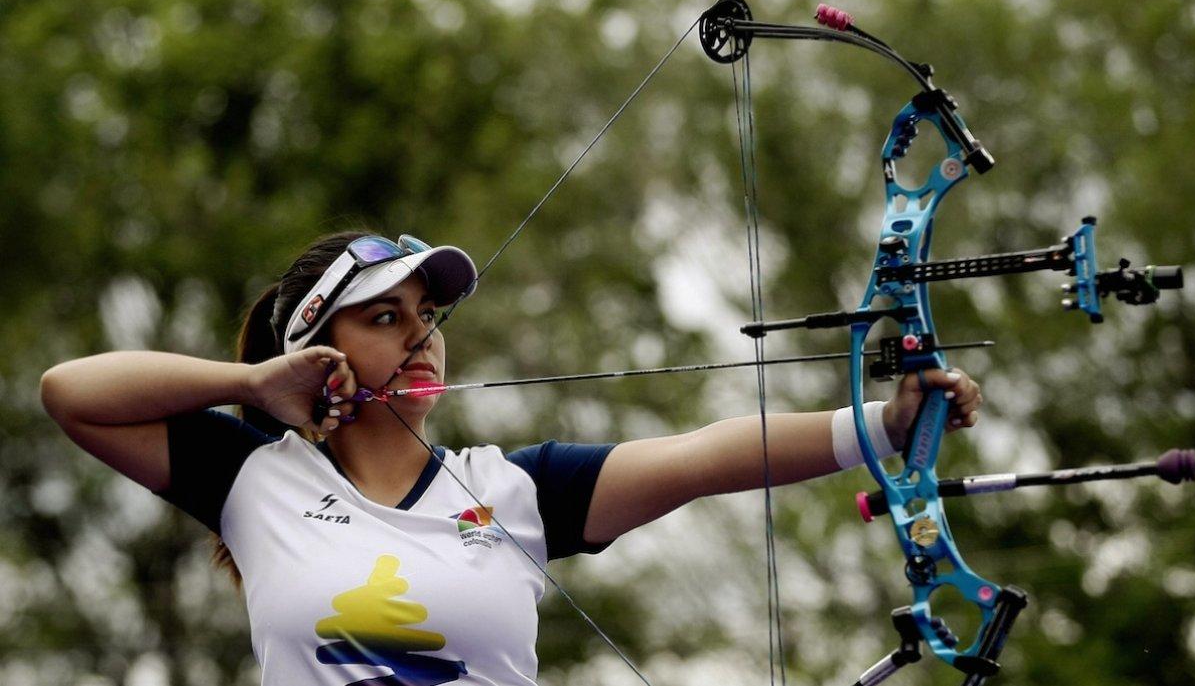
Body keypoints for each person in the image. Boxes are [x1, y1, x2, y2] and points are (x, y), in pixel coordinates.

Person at [40, 230, 983, 685]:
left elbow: (705, 456)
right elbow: (71, 393)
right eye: (386, 317)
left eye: (430, 317)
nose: (423, 337)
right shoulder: (256, 476)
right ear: (315, 345)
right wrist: (253, 389)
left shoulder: (510, 490)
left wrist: (886, 424)